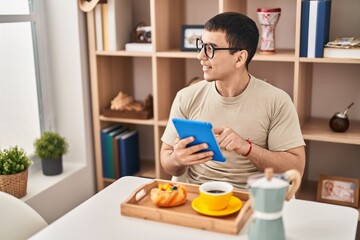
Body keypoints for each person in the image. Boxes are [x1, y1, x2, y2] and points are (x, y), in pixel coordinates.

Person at [160, 12, 305, 189]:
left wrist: (247, 148)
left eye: (210, 48)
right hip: (197, 195)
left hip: (252, 199)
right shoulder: (186, 96)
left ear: (239, 58)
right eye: (201, 45)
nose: (200, 56)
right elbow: (167, 162)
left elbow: (296, 169)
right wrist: (177, 158)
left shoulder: (277, 101)